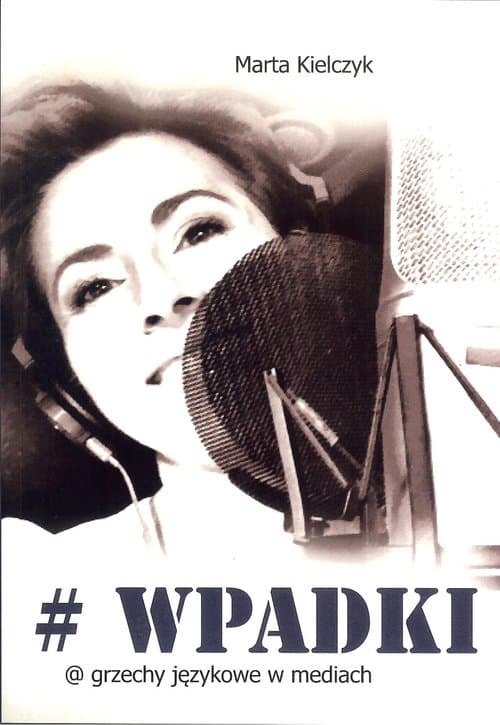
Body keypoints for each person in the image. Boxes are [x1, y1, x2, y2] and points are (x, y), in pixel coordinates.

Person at [4, 81, 369, 572]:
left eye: (199, 231)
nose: (160, 296)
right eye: (95, 287)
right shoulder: (35, 577)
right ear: (66, 393)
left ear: (306, 250)